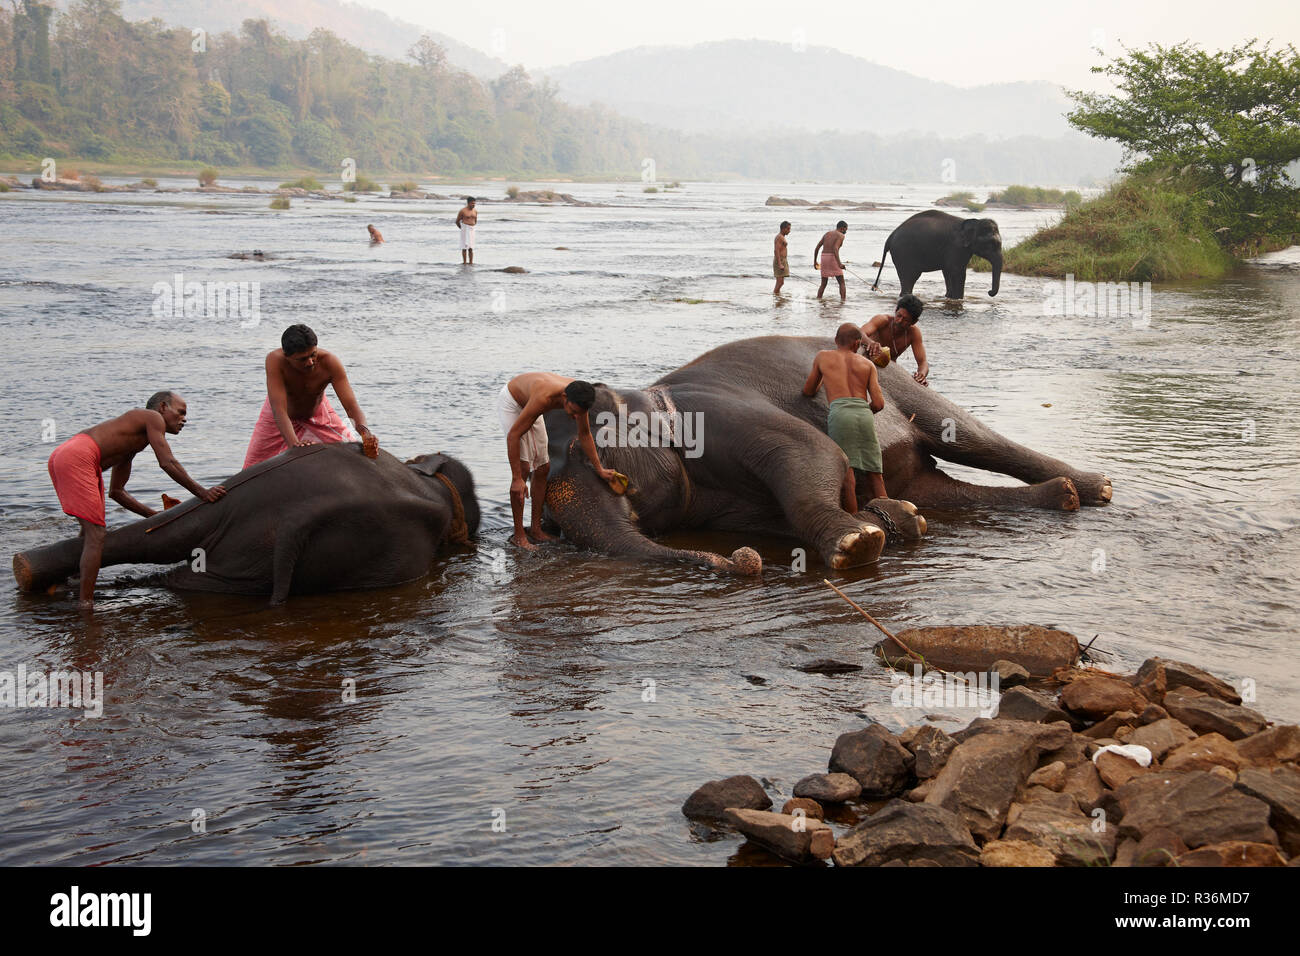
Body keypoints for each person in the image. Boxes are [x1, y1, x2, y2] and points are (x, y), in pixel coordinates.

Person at [46, 392, 227, 607]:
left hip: (69, 455)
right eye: (181, 412)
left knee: (89, 532)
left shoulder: (132, 444)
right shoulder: (152, 418)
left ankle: (70, 579)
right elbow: (167, 462)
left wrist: (155, 516)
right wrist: (203, 492)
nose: (184, 419)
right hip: (79, 456)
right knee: (97, 536)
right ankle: (86, 604)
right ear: (162, 407)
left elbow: (117, 492)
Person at [499, 374, 615, 550]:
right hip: (513, 402)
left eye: (580, 413)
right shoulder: (543, 398)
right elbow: (513, 436)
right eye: (574, 412)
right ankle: (519, 537)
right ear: (564, 398)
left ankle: (536, 530)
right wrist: (516, 478)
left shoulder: (579, 399)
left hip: (531, 403)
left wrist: (599, 469)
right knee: (523, 469)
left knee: (543, 467)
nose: (576, 417)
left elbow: (585, 435)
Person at [243, 324, 376, 468]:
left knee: (353, 454)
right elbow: (279, 410)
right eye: (302, 359)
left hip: (319, 414)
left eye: (313, 354)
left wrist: (365, 432)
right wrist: (295, 446)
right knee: (251, 468)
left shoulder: (330, 362)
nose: (310, 362)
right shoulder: (275, 361)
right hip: (278, 416)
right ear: (287, 357)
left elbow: (351, 407)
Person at [802, 323, 886, 512]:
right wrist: (861, 411)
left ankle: (854, 521)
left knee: (848, 476)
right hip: (864, 414)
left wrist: (824, 378)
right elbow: (879, 404)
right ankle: (890, 516)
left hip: (840, 414)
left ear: (835, 340)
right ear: (857, 344)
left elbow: (808, 390)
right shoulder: (867, 364)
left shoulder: (823, 357)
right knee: (875, 473)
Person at [860, 293, 930, 386]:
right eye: (899, 315)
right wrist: (870, 343)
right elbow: (859, 332)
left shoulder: (914, 333)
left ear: (914, 322)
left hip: (890, 370)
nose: (900, 321)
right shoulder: (883, 320)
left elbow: (923, 362)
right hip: (868, 360)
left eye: (905, 319)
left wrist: (922, 374)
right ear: (895, 311)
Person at [814, 221, 848, 301]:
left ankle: (818, 299)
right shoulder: (841, 235)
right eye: (846, 229)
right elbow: (835, 248)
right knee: (841, 282)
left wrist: (815, 261)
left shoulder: (827, 234)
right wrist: (839, 264)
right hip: (832, 257)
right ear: (842, 228)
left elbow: (817, 247)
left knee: (823, 283)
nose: (846, 231)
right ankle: (843, 301)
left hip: (823, 257)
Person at [456, 197, 478, 264]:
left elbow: (475, 220)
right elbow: (457, 221)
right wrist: (462, 228)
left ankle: (471, 263)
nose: (473, 204)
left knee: (471, 247)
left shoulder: (475, 211)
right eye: (472, 203)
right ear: (468, 203)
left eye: (474, 203)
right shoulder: (462, 211)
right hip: (465, 228)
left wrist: (473, 225)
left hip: (472, 229)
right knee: (464, 247)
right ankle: (464, 262)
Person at [773, 221, 791, 294]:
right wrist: (780, 264)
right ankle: (775, 295)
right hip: (779, 260)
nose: (789, 231)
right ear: (783, 229)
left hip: (783, 260)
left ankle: (777, 295)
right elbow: (776, 250)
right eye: (788, 229)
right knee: (780, 282)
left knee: (781, 282)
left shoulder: (782, 237)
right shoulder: (779, 237)